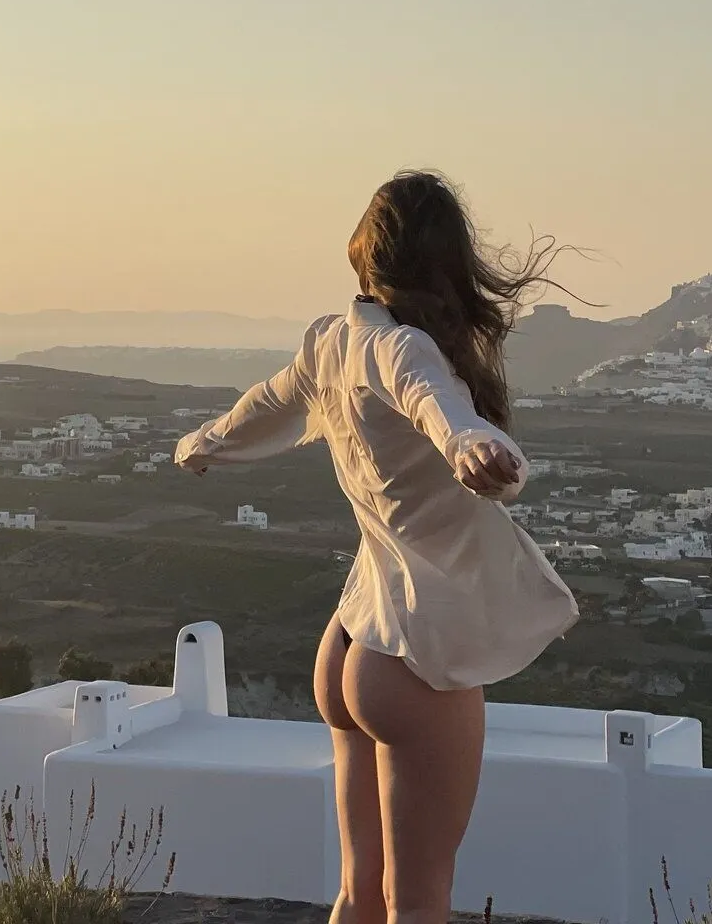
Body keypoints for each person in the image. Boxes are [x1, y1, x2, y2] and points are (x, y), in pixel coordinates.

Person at [175, 170, 579, 924]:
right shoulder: (404, 349)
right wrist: (471, 447)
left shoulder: (330, 341)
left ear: (365, 255)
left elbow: (266, 405)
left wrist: (206, 443)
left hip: (351, 642)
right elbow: (436, 406)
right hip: (416, 650)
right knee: (419, 902)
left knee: (361, 893)